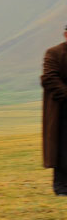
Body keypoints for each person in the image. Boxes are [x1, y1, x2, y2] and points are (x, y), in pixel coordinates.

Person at [41, 24, 67, 196]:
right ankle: (61, 187)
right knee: (62, 149)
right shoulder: (54, 53)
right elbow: (48, 78)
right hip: (61, 111)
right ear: (66, 34)